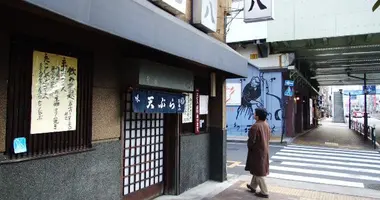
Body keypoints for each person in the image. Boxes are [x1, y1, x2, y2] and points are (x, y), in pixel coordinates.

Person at [244, 108, 271, 198]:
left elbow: (251, 141)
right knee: (258, 169)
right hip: (264, 150)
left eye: (254, 113)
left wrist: (250, 147)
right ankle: (253, 186)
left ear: (258, 116)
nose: (253, 114)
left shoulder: (255, 126)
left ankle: (264, 192)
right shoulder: (266, 125)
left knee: (259, 172)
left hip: (257, 152)